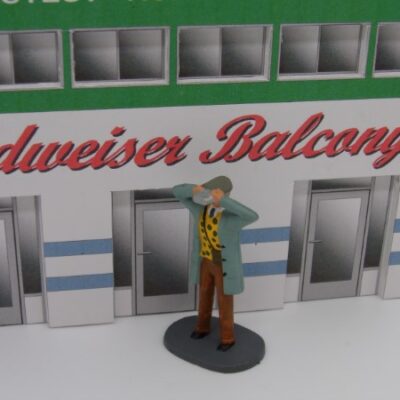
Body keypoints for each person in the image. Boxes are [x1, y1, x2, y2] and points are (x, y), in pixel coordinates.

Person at [172, 176, 259, 351]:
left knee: (224, 301)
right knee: (204, 294)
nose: (207, 197)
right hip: (205, 261)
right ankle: (202, 327)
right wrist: (194, 189)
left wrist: (224, 201)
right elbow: (177, 192)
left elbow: (252, 215)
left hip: (223, 266)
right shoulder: (199, 210)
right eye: (208, 193)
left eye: (212, 194)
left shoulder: (231, 218)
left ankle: (227, 338)